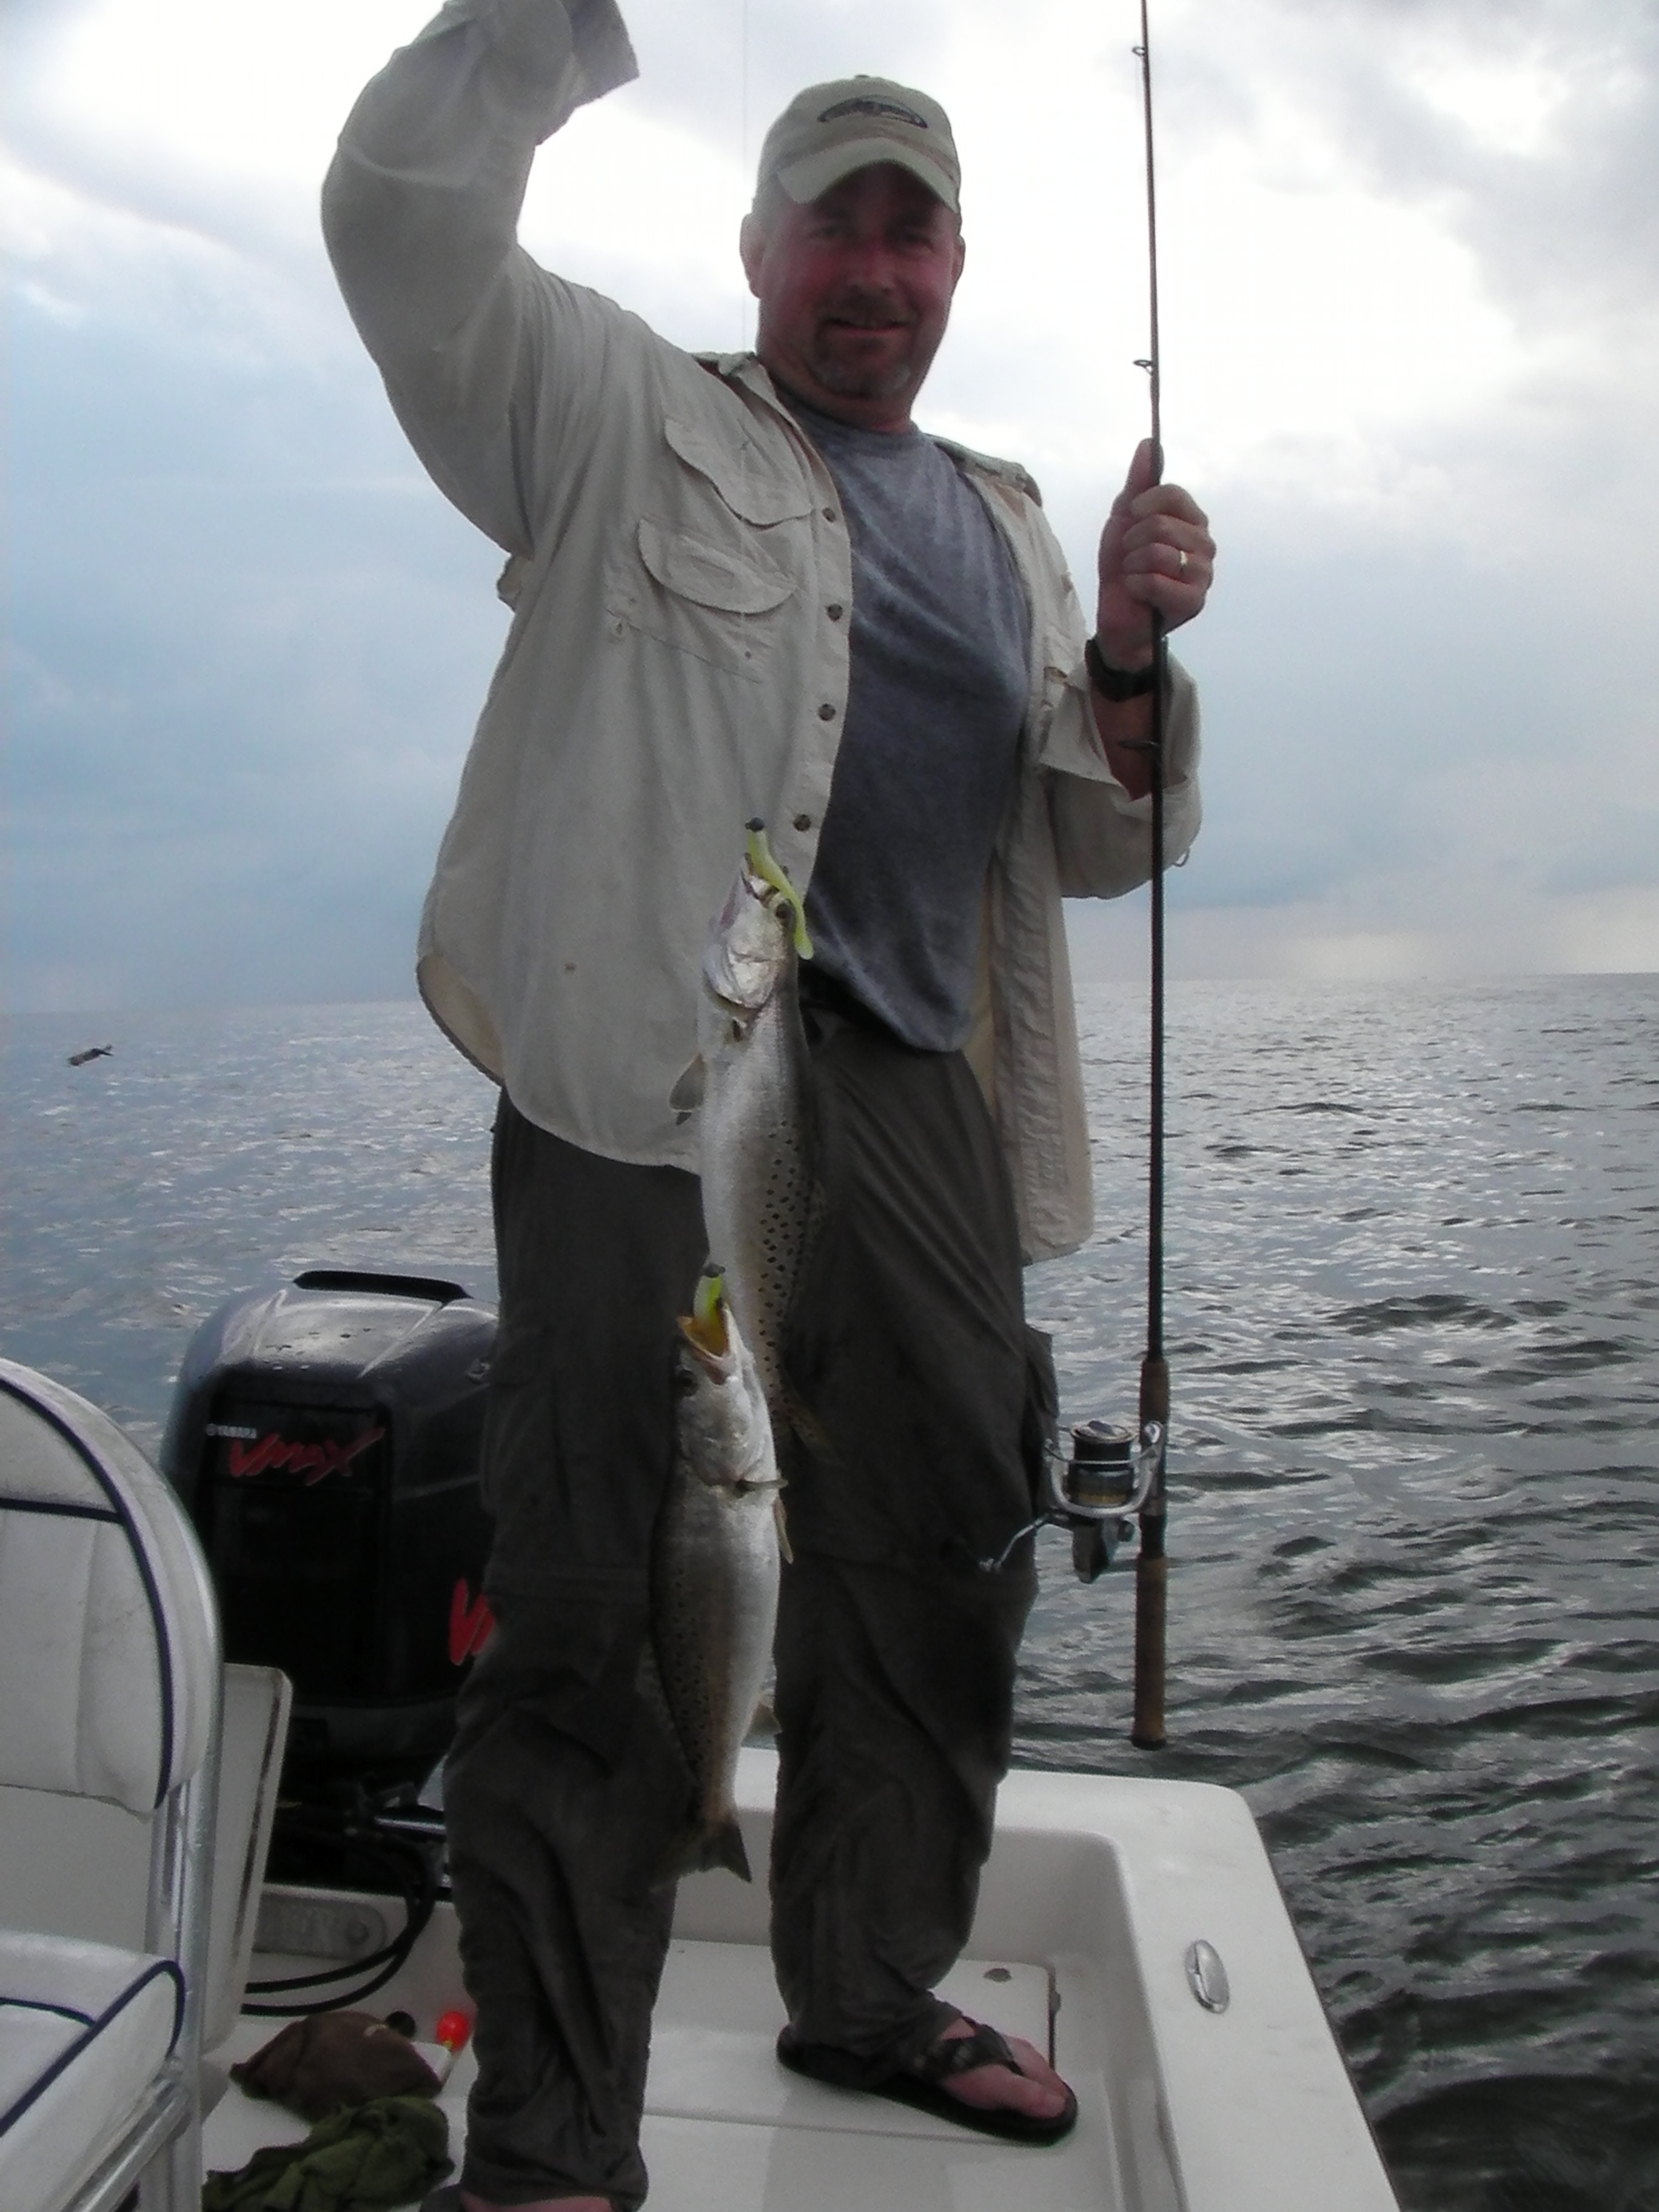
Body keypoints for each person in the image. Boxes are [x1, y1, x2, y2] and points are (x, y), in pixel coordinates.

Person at [324, 7, 1214, 2208]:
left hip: (924, 1105)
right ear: (760, 245)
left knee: (936, 1565)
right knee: (604, 1597)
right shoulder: (611, 414)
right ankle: (547, 2139)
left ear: (954, 275)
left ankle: (872, 1978)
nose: (877, 270)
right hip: (649, 1096)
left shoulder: (1005, 523)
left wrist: (1118, 654)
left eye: (916, 236)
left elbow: (1100, 840)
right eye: (839, 223)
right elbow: (398, 214)